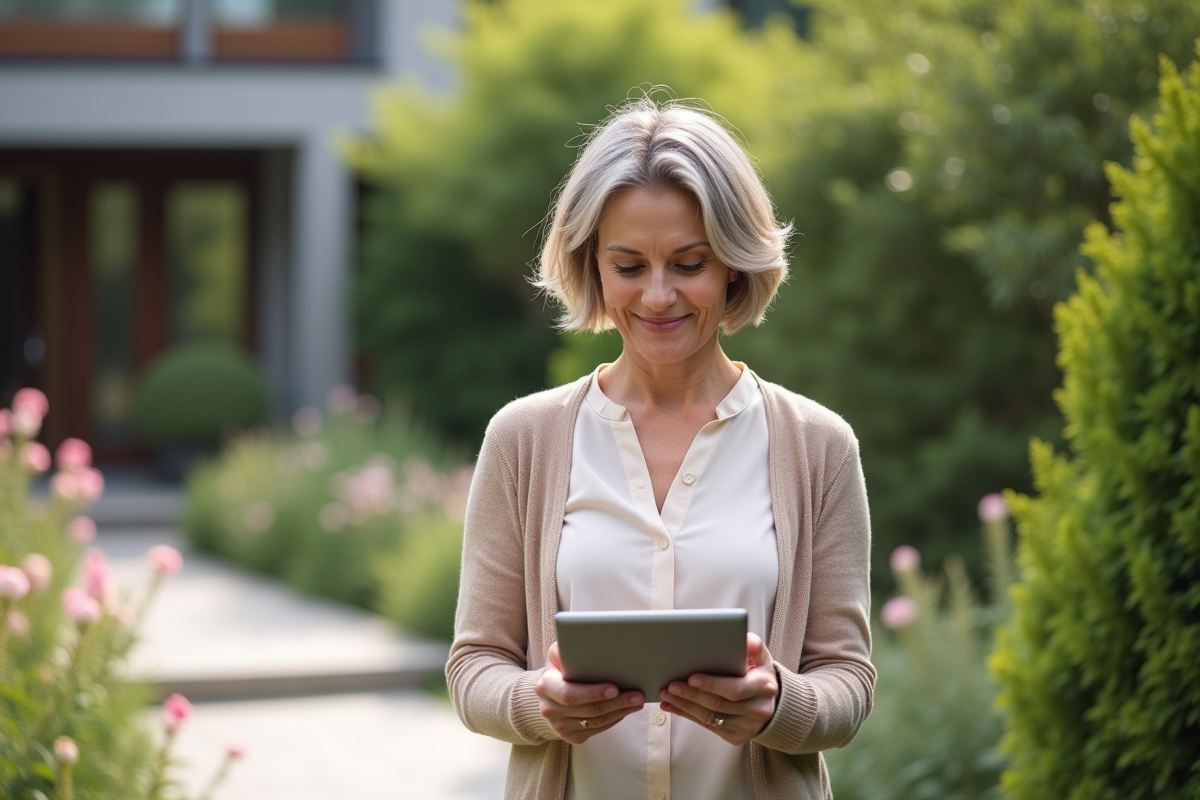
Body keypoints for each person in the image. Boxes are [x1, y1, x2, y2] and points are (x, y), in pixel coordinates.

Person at [446, 96, 875, 800]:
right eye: (628, 265)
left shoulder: (818, 448)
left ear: (734, 264)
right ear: (592, 267)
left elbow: (849, 683)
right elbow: (474, 668)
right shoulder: (524, 440)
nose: (657, 295)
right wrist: (539, 702)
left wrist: (777, 703)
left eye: (688, 262)